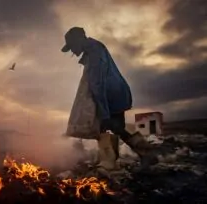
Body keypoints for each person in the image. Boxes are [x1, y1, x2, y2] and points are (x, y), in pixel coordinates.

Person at [61, 27, 159, 170]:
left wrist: (103, 111)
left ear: (79, 40)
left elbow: (97, 84)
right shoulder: (94, 48)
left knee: (105, 127)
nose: (72, 51)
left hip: (111, 96)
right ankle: (142, 155)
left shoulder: (94, 51)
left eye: (72, 47)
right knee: (116, 127)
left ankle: (109, 162)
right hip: (115, 94)